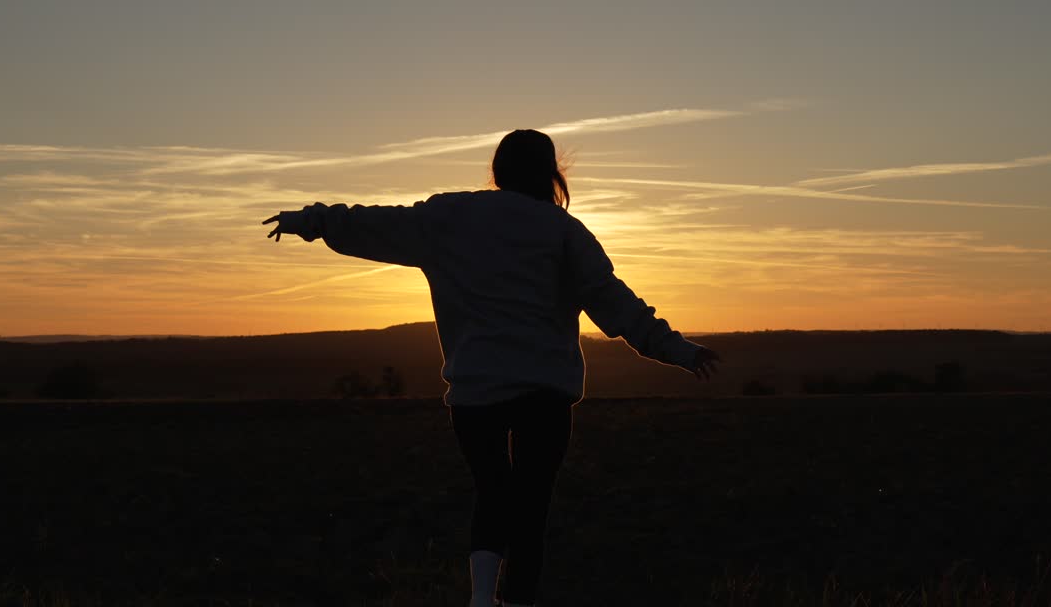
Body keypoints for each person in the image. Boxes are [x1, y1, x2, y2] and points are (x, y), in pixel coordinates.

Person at [262, 129, 721, 607]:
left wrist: (310, 220)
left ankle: (482, 598)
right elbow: (615, 303)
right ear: (551, 174)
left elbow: (373, 225)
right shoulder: (563, 231)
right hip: (544, 392)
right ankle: (515, 600)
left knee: (492, 491)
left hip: (475, 390)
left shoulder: (447, 217)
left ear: (498, 171)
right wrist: (679, 350)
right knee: (531, 502)